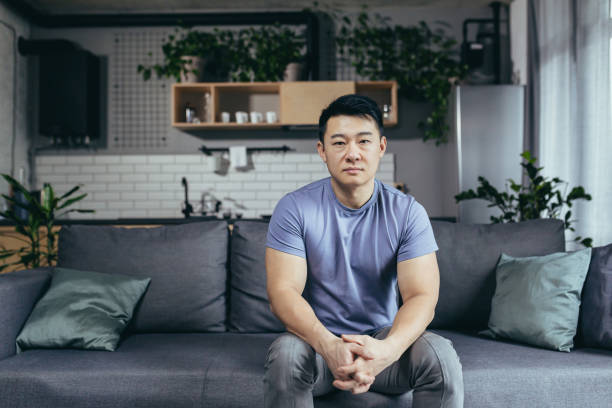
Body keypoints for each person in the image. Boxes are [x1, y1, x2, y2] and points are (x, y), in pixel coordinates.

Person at [264, 94, 464, 408]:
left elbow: (422, 296)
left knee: (440, 357)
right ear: (322, 151)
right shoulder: (294, 208)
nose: (353, 153)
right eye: (339, 143)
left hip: (382, 346)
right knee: (287, 356)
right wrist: (328, 345)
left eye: (364, 141)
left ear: (381, 147)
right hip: (317, 348)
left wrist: (389, 350)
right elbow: (282, 292)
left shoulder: (407, 212)